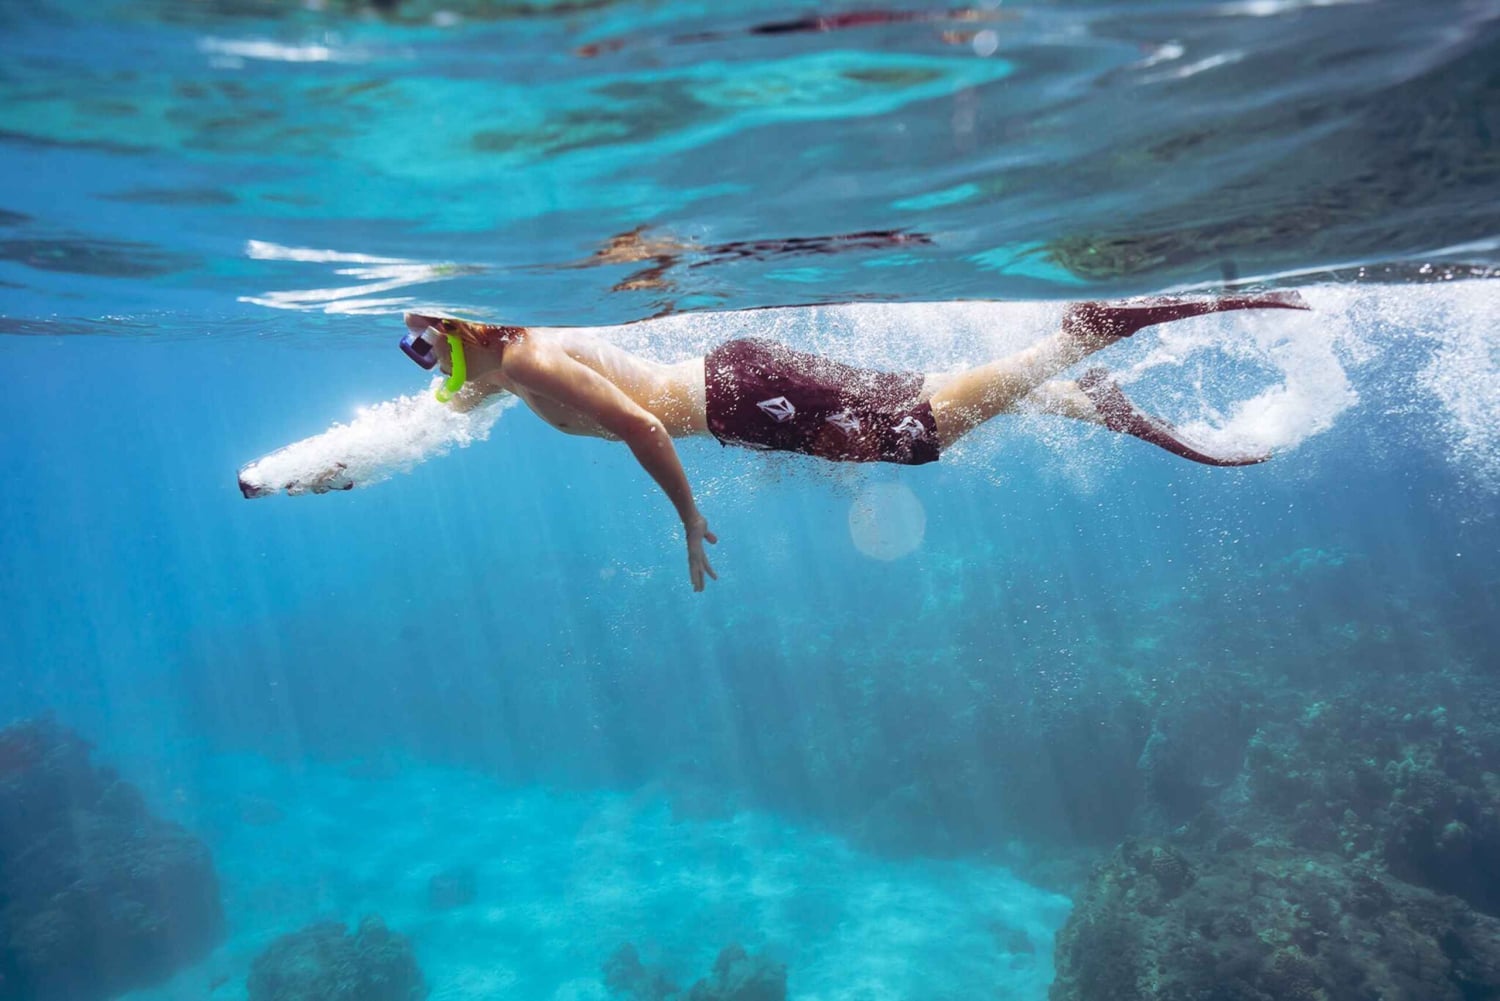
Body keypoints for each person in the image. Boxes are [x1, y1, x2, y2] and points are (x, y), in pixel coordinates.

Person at [395, 293, 1308, 591]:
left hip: (741, 398)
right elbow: (447, 407)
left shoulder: (527, 363)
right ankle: (1081, 393)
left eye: (427, 350)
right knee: (927, 408)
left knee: (924, 429)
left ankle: (1083, 337)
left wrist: (686, 516)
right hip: (744, 390)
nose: (428, 370)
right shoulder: (500, 368)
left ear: (464, 327)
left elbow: (635, 424)